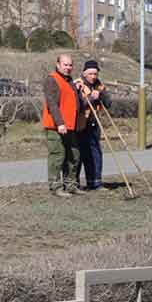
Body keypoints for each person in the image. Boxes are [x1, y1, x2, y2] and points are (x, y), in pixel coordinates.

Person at [42, 53, 86, 197]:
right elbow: (52, 104)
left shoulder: (70, 82)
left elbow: (76, 104)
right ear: (58, 64)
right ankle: (55, 187)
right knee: (58, 155)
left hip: (71, 126)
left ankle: (71, 185)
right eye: (65, 64)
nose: (68, 67)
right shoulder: (51, 80)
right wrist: (59, 123)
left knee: (74, 155)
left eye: (70, 65)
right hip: (56, 126)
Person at [74, 59, 112, 191]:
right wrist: (91, 98)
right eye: (90, 74)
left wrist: (100, 95)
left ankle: (95, 182)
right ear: (84, 73)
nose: (93, 76)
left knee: (95, 154)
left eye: (95, 74)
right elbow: (76, 105)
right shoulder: (77, 84)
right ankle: (74, 184)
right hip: (79, 125)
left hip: (93, 125)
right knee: (78, 156)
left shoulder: (99, 85)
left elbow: (108, 103)